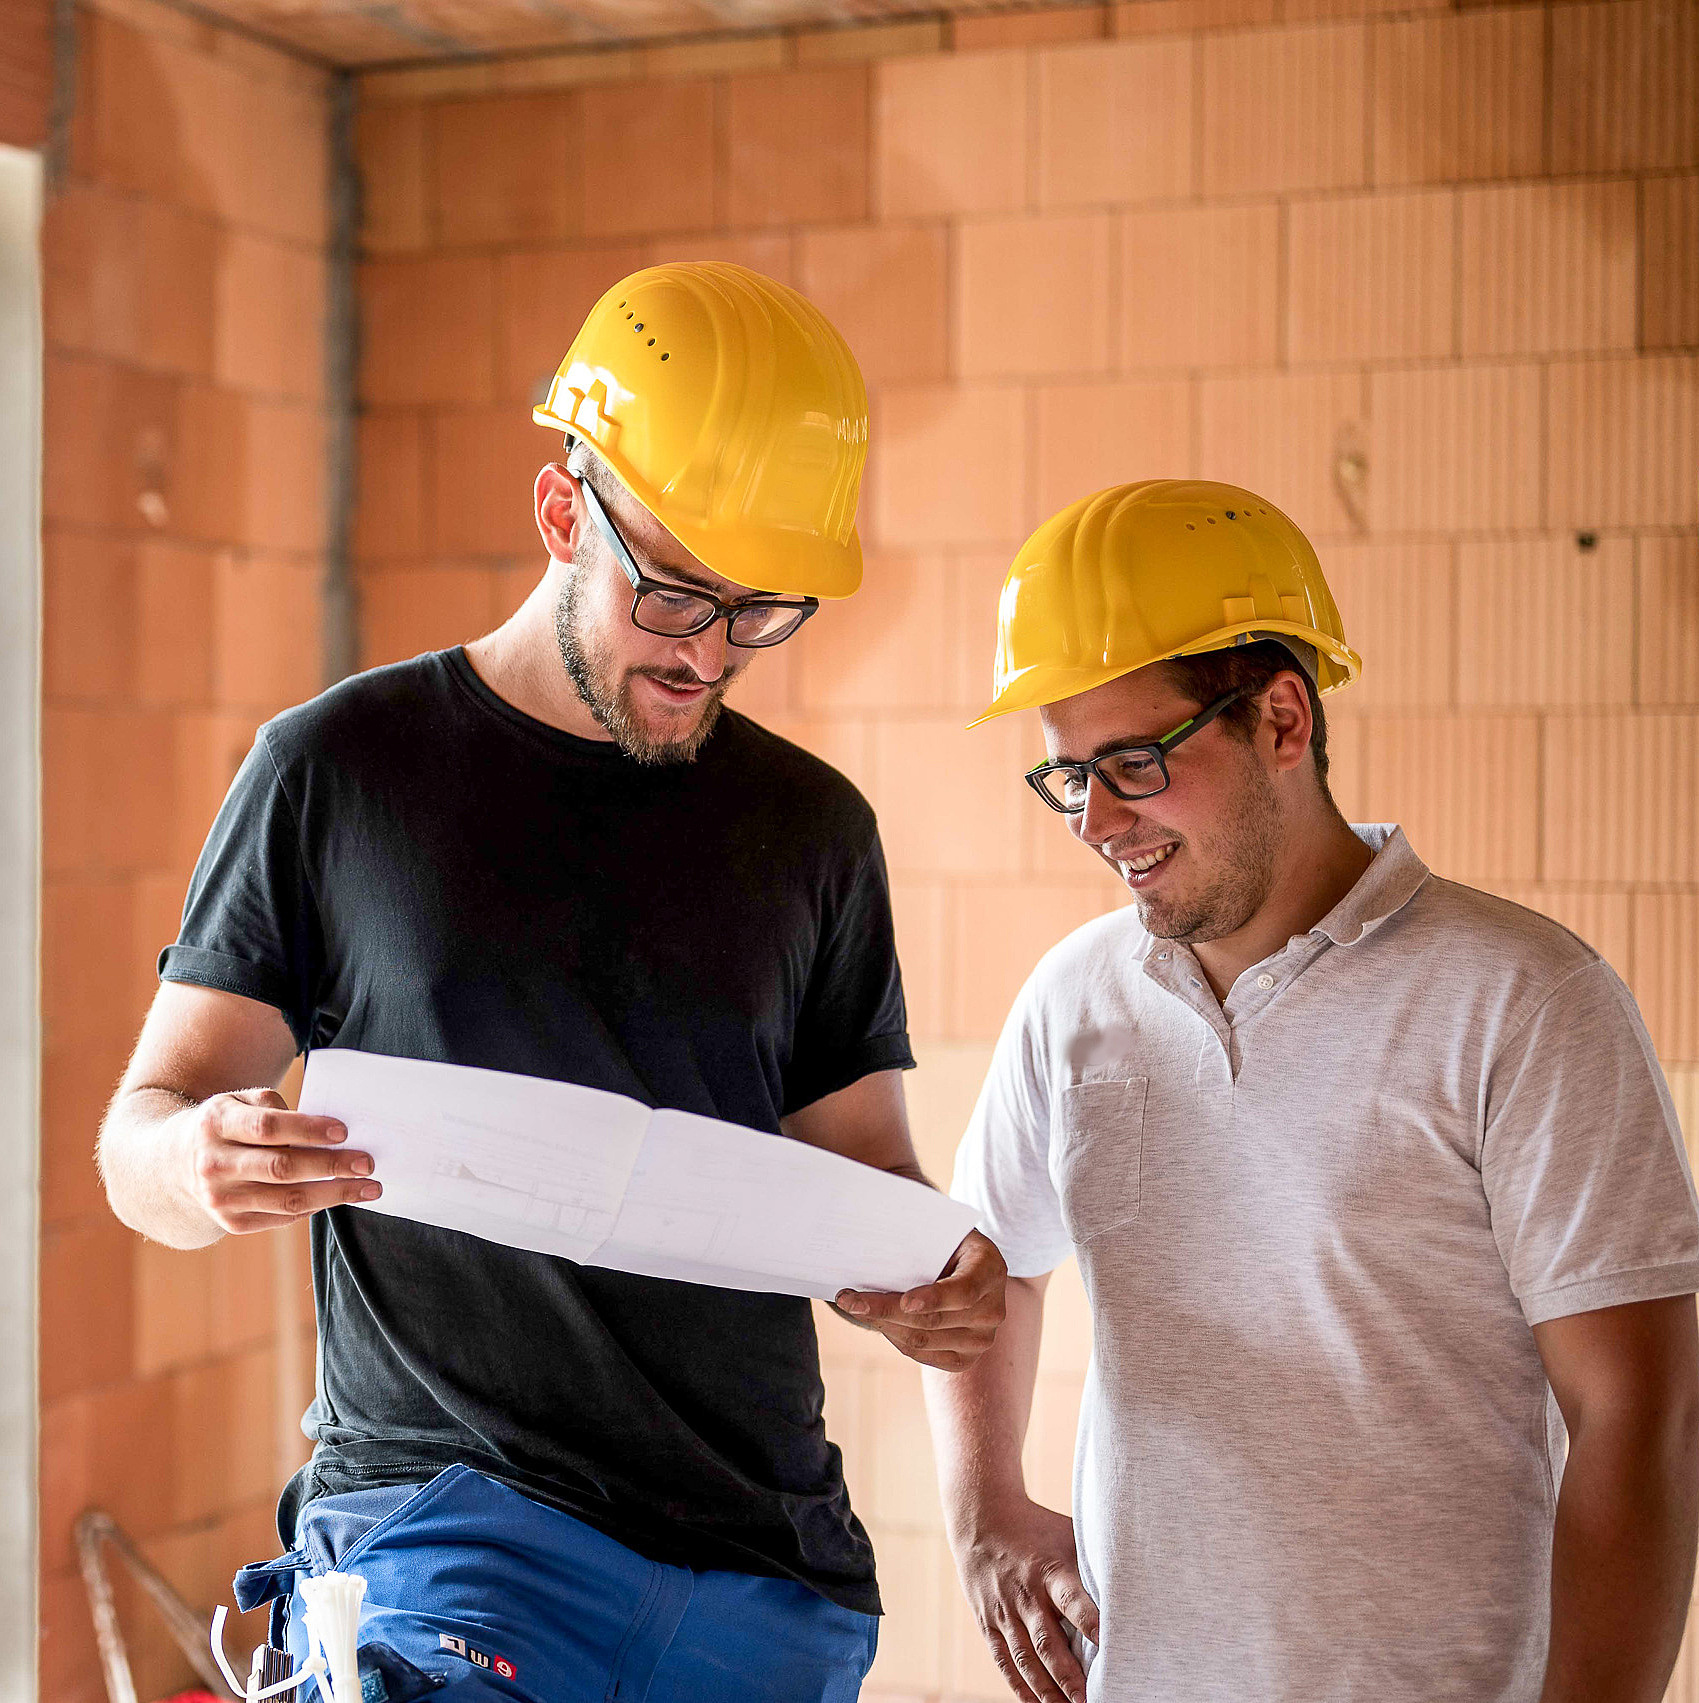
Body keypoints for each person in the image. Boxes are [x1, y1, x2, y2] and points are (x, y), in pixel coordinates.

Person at [97, 261, 1006, 1703]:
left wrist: (923, 1287)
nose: (708, 653)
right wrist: (194, 1158)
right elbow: (140, 1128)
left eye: (758, 611)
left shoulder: (814, 830)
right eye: (674, 595)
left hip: (762, 1568)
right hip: (449, 1528)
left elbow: (862, 1184)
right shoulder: (336, 770)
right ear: (559, 511)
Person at [907, 479, 1699, 1703]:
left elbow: (1638, 1416)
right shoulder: (1073, 1001)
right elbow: (985, 1261)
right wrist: (984, 1506)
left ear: (1281, 716)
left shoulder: (1523, 999)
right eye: (1068, 776)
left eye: (1132, 760)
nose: (1096, 820)